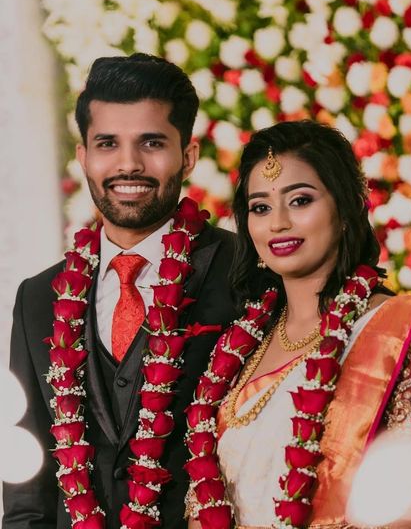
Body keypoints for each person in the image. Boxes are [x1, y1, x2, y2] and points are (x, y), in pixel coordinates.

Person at [2, 53, 238, 529]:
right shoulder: (38, 298)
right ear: (84, 156)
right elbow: (28, 489)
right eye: (108, 143)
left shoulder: (245, 273)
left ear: (187, 157)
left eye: (151, 142)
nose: (128, 164)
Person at [185, 121, 411, 529]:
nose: (278, 223)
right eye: (260, 207)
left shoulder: (396, 332)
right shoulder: (238, 347)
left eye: (300, 200)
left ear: (345, 209)